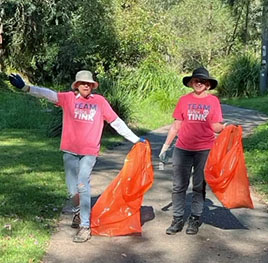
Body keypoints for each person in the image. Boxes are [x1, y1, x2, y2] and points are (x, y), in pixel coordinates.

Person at [9, 70, 145, 243]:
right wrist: (26, 88)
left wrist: (135, 138)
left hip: (89, 152)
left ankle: (85, 227)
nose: (86, 86)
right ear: (77, 85)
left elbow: (116, 122)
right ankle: (77, 213)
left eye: (88, 83)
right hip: (69, 150)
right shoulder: (68, 99)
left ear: (92, 86)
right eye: (82, 83)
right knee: (73, 189)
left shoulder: (100, 102)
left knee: (82, 184)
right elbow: (48, 94)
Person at [159, 67, 226, 235]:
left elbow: (216, 126)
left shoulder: (213, 101)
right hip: (183, 149)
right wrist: (165, 147)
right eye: (196, 80)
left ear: (208, 85)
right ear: (191, 83)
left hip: (205, 150)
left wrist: (226, 128)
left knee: (199, 185)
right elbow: (176, 126)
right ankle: (177, 219)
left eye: (203, 81)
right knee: (178, 186)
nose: (199, 83)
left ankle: (194, 219)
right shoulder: (183, 100)